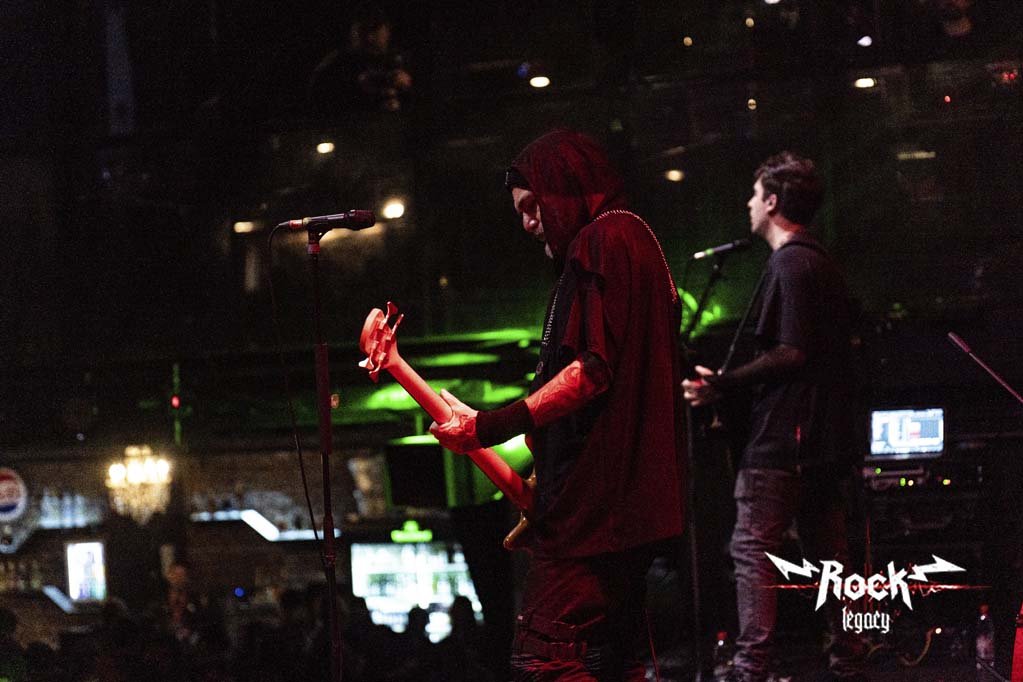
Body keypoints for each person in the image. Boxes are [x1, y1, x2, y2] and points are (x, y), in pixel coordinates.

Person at [430, 129, 686, 680]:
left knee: (543, 657)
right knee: (611, 659)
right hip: (629, 513)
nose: (528, 224)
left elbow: (591, 370)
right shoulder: (637, 241)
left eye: (532, 206)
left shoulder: (599, 240)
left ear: (565, 190)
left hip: (592, 515)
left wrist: (489, 426)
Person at [682, 152, 864, 682]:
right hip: (821, 443)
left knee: (752, 549)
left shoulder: (790, 263)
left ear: (773, 201)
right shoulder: (821, 264)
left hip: (782, 442)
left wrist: (722, 384)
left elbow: (791, 352)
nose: (747, 203)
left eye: (754, 194)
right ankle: (849, 659)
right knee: (831, 559)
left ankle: (750, 668)